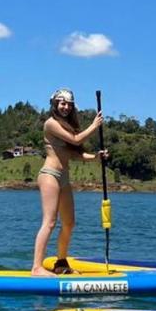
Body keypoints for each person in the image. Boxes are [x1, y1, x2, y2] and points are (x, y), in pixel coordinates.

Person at [30, 88, 109, 276]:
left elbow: (73, 153)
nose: (65, 107)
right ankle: (36, 267)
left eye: (69, 104)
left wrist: (96, 157)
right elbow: (75, 140)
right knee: (49, 222)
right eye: (62, 103)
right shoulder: (51, 124)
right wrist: (94, 126)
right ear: (55, 104)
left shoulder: (66, 124)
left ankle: (61, 262)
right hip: (50, 175)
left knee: (69, 223)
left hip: (64, 177)